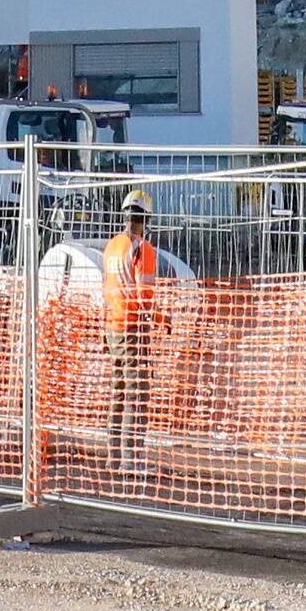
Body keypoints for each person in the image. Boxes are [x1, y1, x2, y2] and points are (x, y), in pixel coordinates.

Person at [99, 189, 169, 466]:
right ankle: (133, 458)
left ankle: (113, 456)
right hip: (132, 328)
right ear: (146, 218)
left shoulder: (111, 246)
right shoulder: (143, 248)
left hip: (112, 326)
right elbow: (145, 297)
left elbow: (107, 287)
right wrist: (163, 319)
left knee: (118, 390)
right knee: (137, 393)